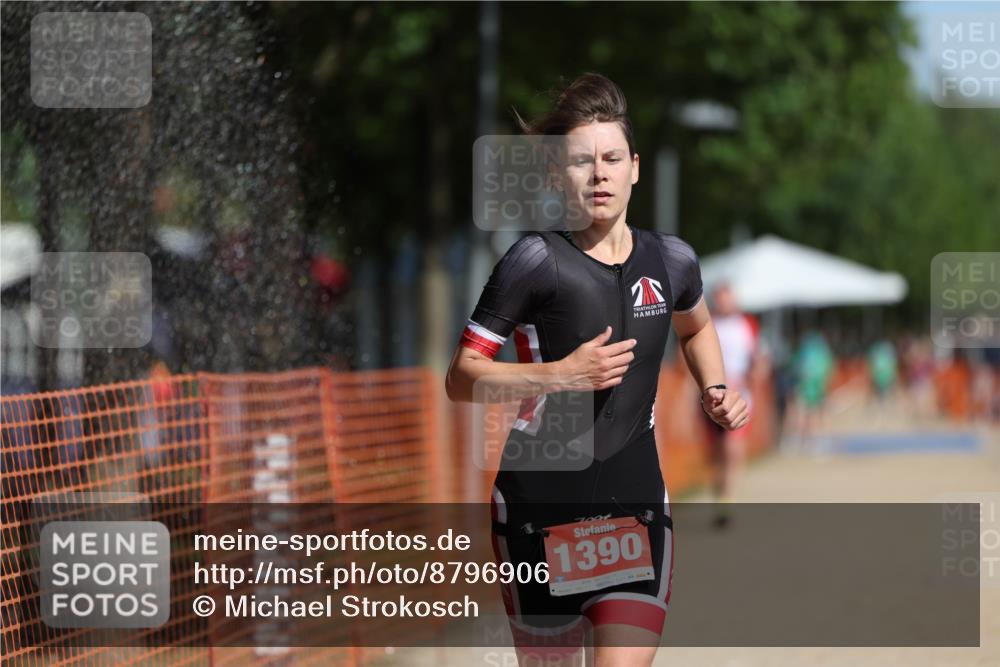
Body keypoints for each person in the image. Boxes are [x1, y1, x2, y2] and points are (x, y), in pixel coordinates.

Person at [446, 73, 747, 667]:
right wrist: (562, 374)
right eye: (581, 162)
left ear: (635, 168)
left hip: (635, 506)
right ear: (558, 175)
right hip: (538, 510)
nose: (599, 174)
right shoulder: (533, 262)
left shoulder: (673, 260)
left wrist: (715, 388)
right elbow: (461, 377)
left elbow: (696, 327)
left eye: (611, 159)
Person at [701, 283, 758, 528]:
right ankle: (720, 496)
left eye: (727, 297)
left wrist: (749, 381)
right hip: (711, 397)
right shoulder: (707, 324)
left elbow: (757, 358)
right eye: (720, 297)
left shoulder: (747, 324)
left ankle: (728, 499)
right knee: (716, 453)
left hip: (739, 396)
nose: (724, 301)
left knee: (732, 448)